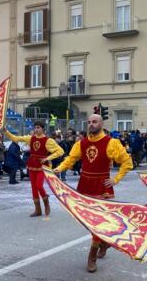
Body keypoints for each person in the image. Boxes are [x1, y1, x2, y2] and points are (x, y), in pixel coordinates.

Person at [54, 114, 133, 273]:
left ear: (101, 123)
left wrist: (115, 179)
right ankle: (104, 243)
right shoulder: (81, 143)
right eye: (89, 122)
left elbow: (127, 162)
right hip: (84, 185)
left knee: (98, 223)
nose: (91, 124)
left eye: (94, 121)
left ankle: (92, 255)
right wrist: (59, 169)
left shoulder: (111, 143)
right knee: (87, 221)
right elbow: (71, 159)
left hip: (102, 187)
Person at [4, 121, 64, 217]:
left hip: (42, 166)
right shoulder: (30, 138)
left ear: (42, 129)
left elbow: (60, 151)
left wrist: (47, 158)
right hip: (32, 165)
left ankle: (46, 203)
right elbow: (16, 138)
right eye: (35, 127)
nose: (36, 129)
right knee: (33, 188)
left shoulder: (48, 140)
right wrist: (6, 132)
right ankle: (38, 210)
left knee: (39, 185)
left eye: (38, 127)